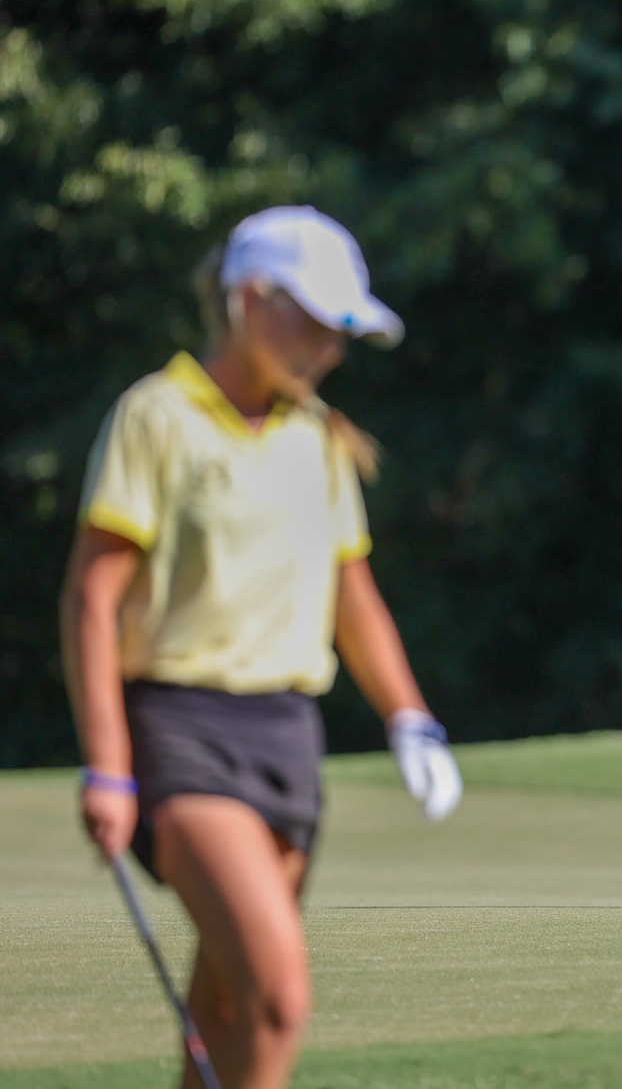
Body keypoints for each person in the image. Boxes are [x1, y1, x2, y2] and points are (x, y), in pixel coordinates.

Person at [59, 206, 463, 1089]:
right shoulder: (157, 417)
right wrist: (108, 767)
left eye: (340, 332)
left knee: (229, 1010)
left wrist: (409, 718)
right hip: (181, 729)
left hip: (287, 733)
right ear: (250, 302)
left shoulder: (316, 440)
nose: (329, 348)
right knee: (279, 993)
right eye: (316, 324)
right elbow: (92, 600)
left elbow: (352, 597)